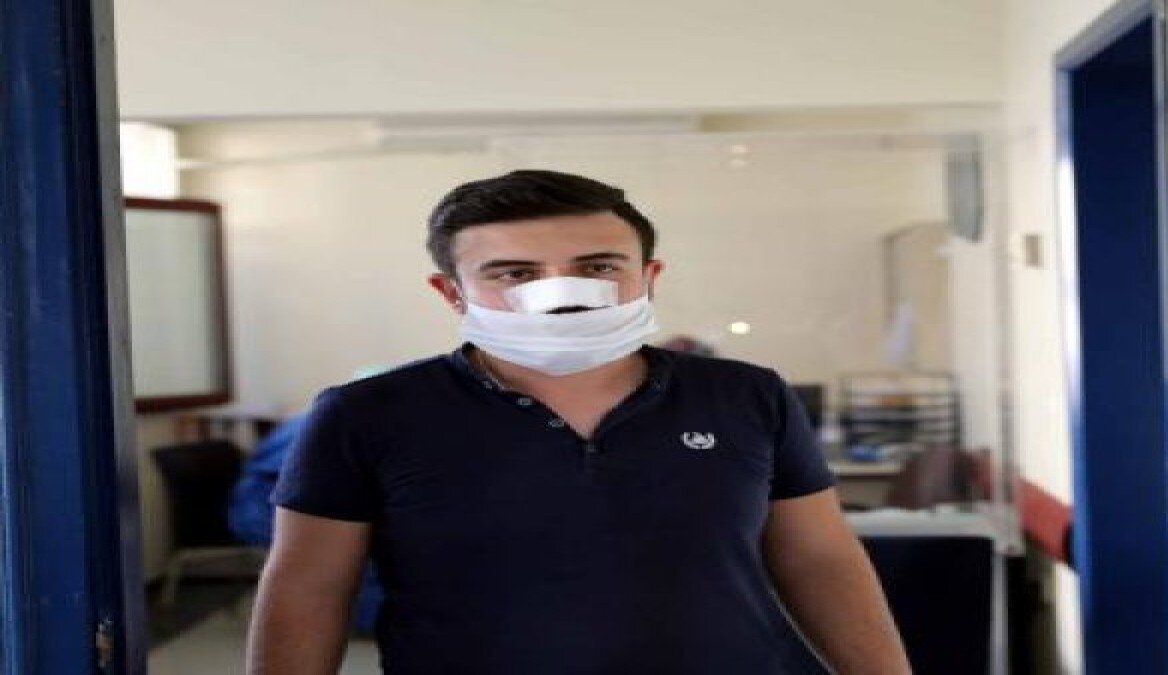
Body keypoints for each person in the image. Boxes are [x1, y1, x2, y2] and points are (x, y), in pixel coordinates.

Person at [247, 170, 911, 674]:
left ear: (649, 275)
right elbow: (308, 586)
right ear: (450, 292)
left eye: (597, 268)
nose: (561, 296)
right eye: (515, 273)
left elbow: (819, 557)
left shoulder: (748, 396)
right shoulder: (367, 413)